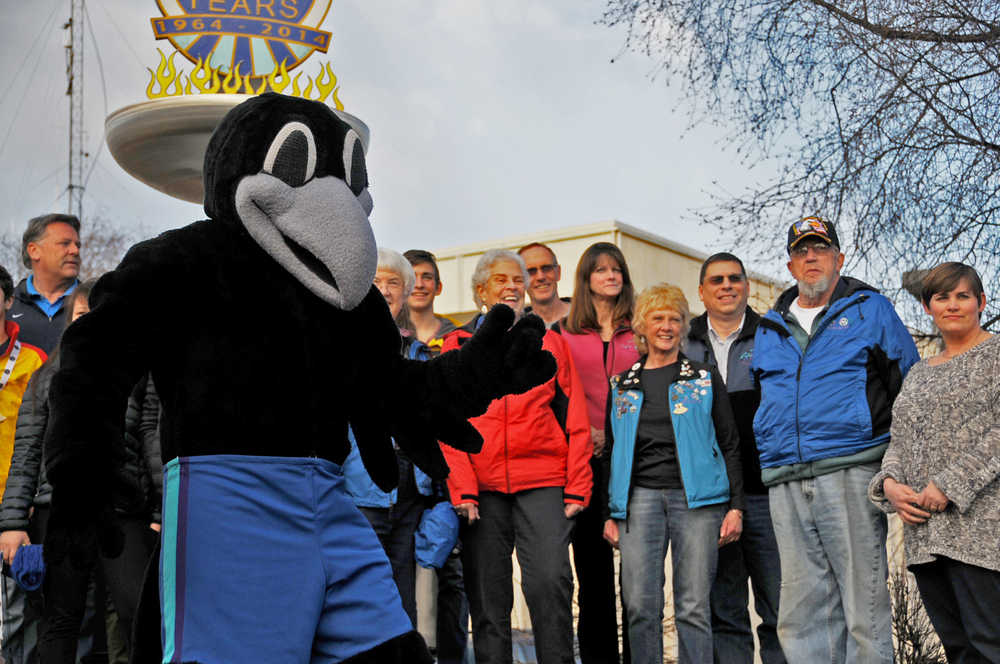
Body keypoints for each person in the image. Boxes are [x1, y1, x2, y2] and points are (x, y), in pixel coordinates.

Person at [752, 217, 919, 664]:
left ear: (839, 259)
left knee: (863, 605)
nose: (811, 258)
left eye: (820, 249)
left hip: (853, 469)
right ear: (790, 265)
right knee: (800, 611)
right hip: (786, 478)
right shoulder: (768, 328)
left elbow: (910, 387)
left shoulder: (871, 310)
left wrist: (899, 467)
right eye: (802, 251)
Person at [441, 249, 592, 664]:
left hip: (543, 482)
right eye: (500, 280)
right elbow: (447, 425)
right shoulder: (457, 346)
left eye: (517, 280)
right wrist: (463, 490)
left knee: (551, 585)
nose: (511, 286)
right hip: (481, 491)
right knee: (488, 601)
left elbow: (575, 418)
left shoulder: (552, 343)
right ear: (480, 292)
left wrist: (578, 484)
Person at [0, 280, 160, 664]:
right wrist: (12, 523)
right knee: (60, 619)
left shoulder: (142, 372)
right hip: (59, 509)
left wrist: (158, 512)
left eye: (100, 312)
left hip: (123, 510)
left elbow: (152, 439)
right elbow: (26, 452)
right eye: (81, 314)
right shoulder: (44, 376)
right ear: (71, 320)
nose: (90, 322)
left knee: (135, 612)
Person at [603, 283, 744, 664]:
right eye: (657, 318)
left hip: (697, 502)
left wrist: (735, 506)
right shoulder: (621, 386)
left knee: (694, 608)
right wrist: (610, 512)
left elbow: (730, 443)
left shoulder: (703, 377)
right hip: (639, 502)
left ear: (684, 326)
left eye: (674, 319)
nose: (666, 326)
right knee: (639, 607)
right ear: (642, 326)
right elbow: (613, 451)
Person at [868, 262, 1000, 663]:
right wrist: (889, 483)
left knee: (991, 645)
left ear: (981, 302)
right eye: (942, 297)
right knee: (958, 650)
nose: (953, 305)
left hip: (984, 533)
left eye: (963, 296)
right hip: (926, 537)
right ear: (928, 307)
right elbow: (901, 441)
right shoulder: (919, 374)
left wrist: (949, 485)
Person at [685, 253, 784, 664]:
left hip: (766, 494)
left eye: (734, 278)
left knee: (779, 610)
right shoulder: (684, 341)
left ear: (746, 286)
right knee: (725, 612)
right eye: (716, 280)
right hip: (711, 499)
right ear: (702, 291)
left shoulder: (774, 335)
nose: (726, 286)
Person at [555, 241, 639, 664]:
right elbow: (552, 398)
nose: (610, 275)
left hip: (635, 463)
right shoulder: (562, 334)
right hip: (582, 464)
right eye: (600, 269)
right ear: (585, 278)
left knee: (638, 580)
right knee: (594, 577)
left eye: (616, 269)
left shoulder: (639, 330)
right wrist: (585, 433)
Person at [344, 249, 436, 626]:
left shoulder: (419, 354)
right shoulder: (342, 344)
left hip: (410, 490)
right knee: (363, 592)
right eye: (376, 281)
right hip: (359, 484)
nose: (384, 290)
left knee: (402, 598)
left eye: (393, 283)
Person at [403, 248, 469, 663]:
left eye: (429, 277)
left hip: (450, 482)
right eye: (414, 277)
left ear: (439, 286)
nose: (421, 283)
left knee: (452, 584)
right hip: (402, 482)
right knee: (404, 583)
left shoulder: (460, 342)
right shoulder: (385, 340)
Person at [0, 264, 47, 664]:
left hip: (12, 506)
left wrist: (25, 500)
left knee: (14, 615)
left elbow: (40, 440)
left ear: (8, 300)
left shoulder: (34, 363)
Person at [9, 214, 82, 354]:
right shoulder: (6, 307)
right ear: (34, 251)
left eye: (77, 245)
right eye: (65, 243)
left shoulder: (95, 304)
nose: (75, 251)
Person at [403, 250, 458, 353]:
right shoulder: (385, 337)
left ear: (438, 287)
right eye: (412, 278)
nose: (419, 285)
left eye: (427, 277)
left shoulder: (461, 337)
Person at [519, 243, 570, 328]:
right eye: (531, 271)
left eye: (546, 268)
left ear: (558, 272)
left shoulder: (589, 315)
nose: (540, 277)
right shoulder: (515, 331)